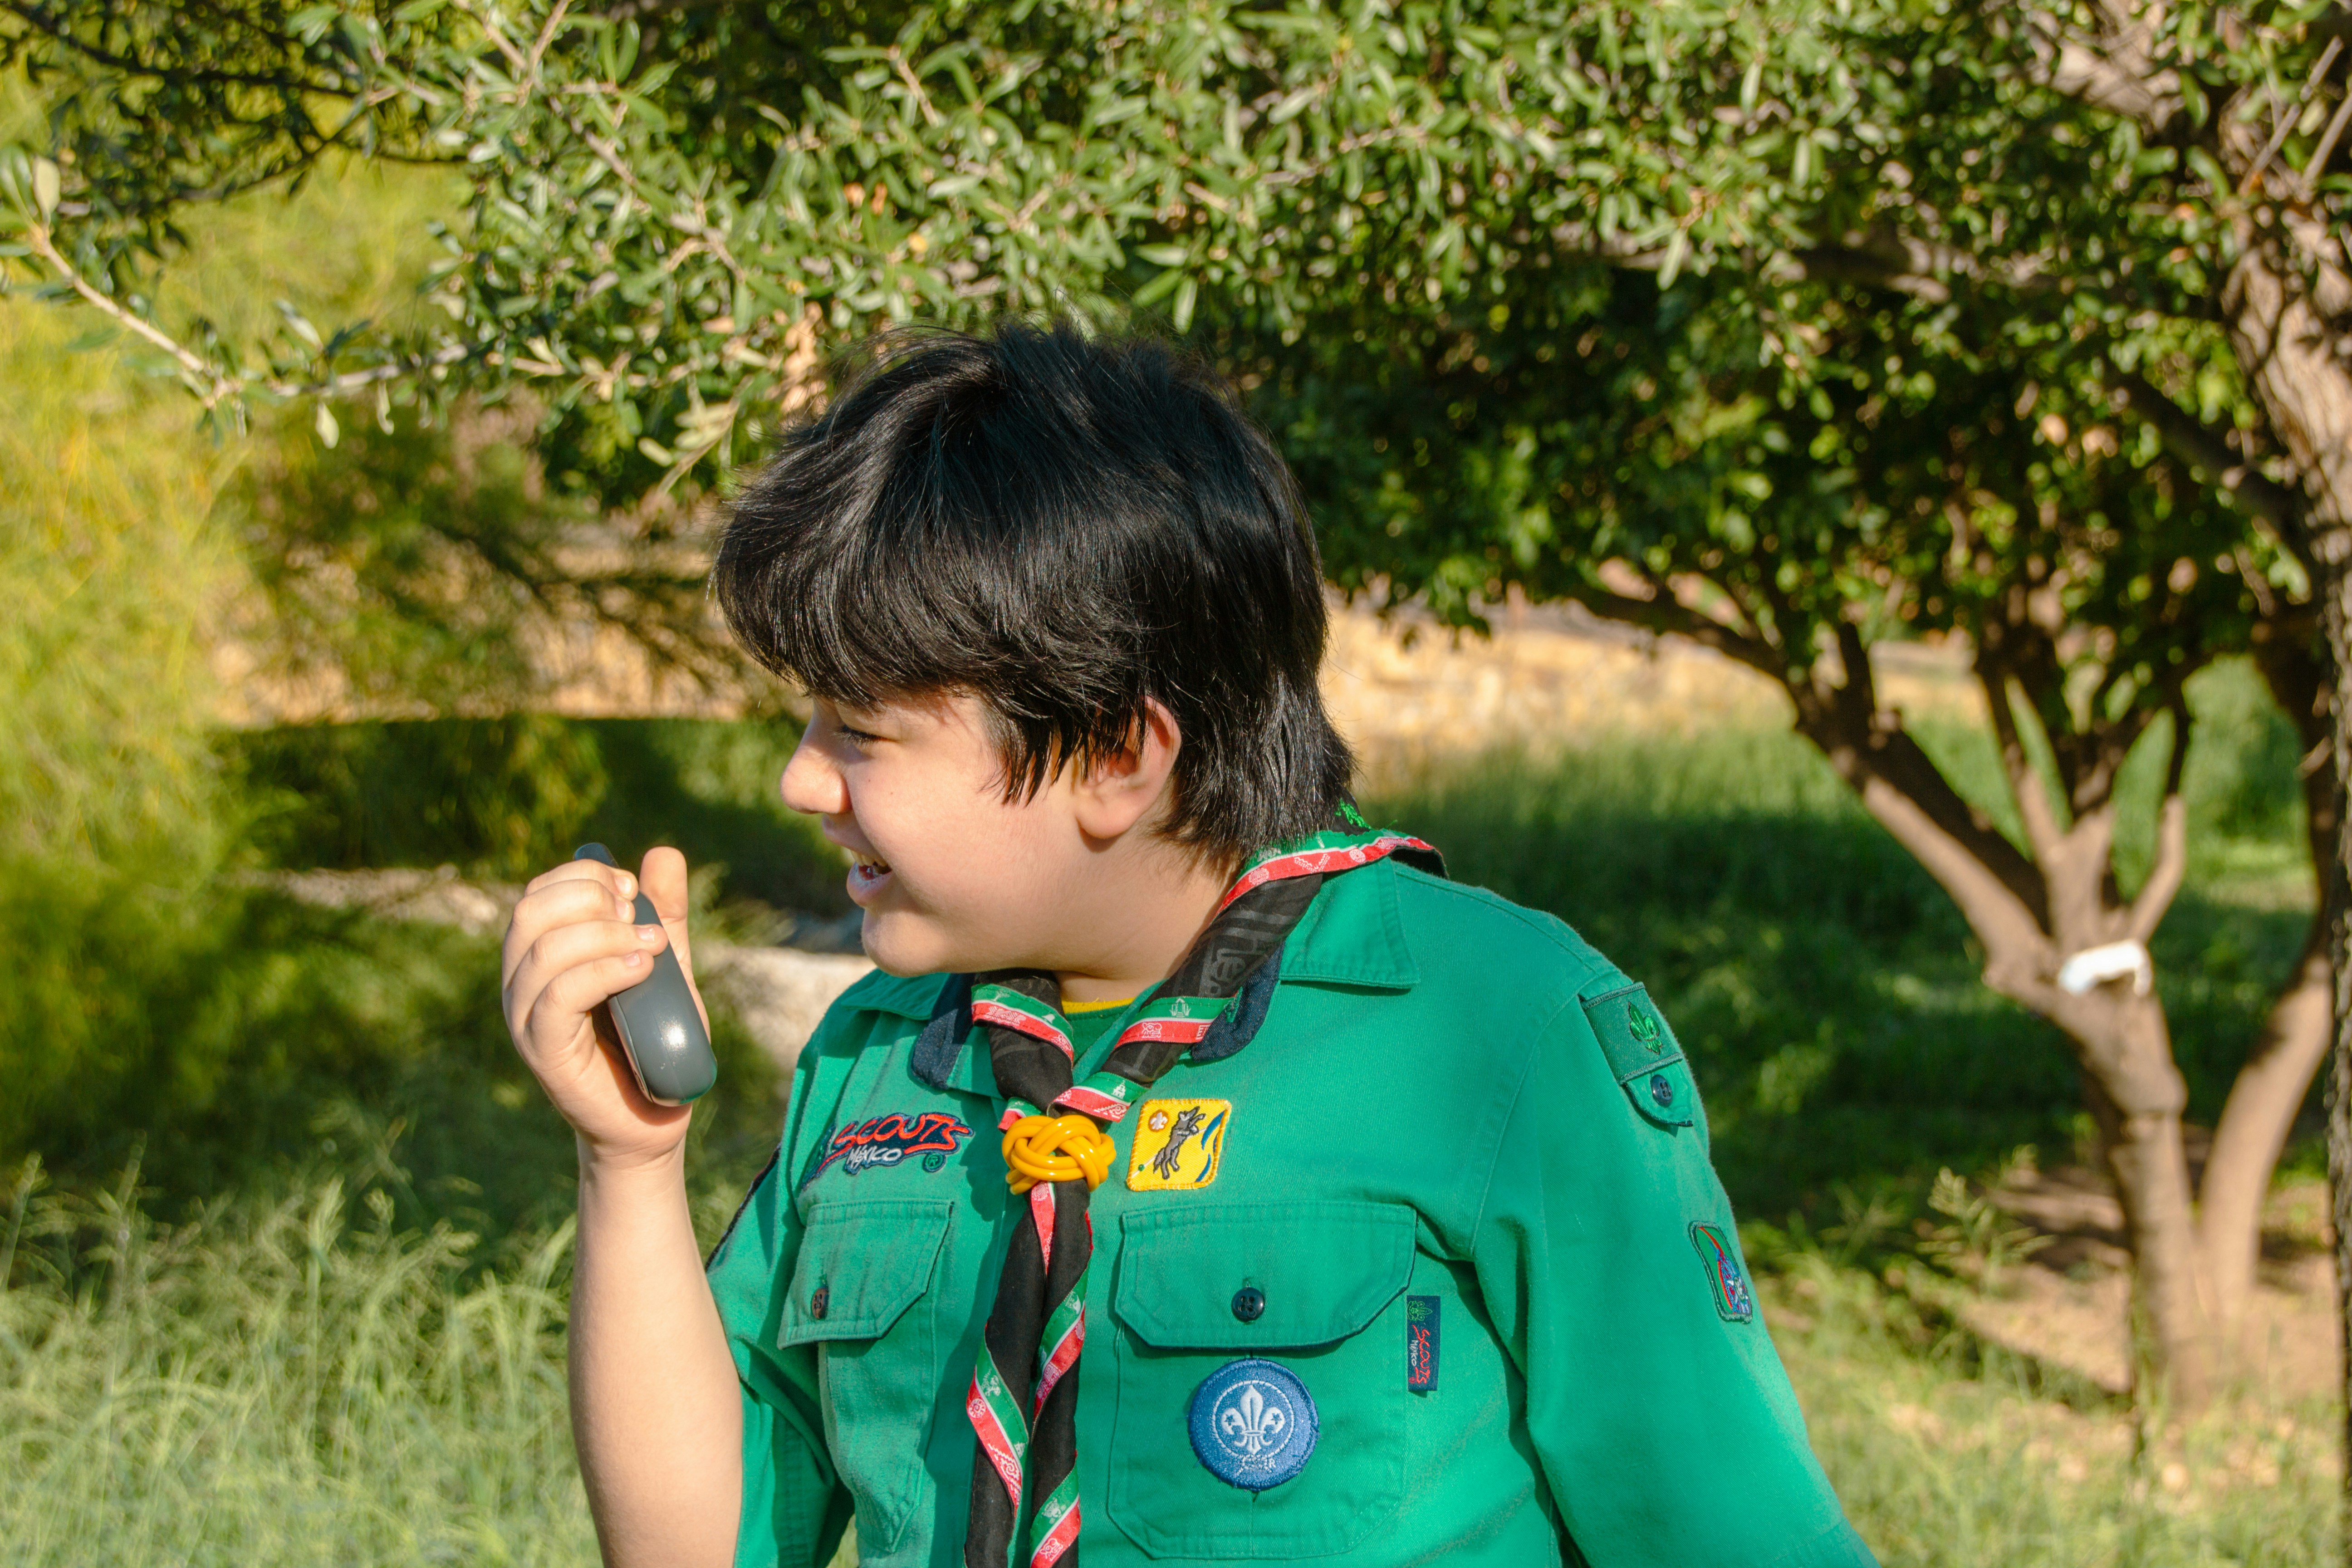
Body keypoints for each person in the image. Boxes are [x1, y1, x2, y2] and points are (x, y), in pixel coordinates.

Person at [500, 320, 1877, 1568]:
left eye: (861, 732)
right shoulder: (880, 1063)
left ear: (1117, 756)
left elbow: (1731, 1531)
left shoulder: (1500, 1030)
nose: (801, 781)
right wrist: (630, 1164)